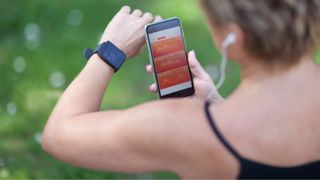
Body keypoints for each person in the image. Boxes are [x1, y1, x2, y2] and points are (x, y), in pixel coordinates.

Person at [42, 0, 320, 178]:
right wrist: (216, 103)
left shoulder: (190, 132)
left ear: (233, 38)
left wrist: (109, 52)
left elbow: (58, 134)